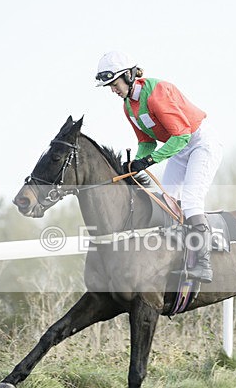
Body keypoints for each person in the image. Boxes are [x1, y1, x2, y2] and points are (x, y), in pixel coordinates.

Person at [95, 51, 223, 283]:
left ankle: (204, 264)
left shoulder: (155, 94)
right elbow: (146, 142)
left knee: (192, 200)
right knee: (167, 201)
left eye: (114, 84)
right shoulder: (128, 106)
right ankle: (178, 255)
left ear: (129, 75)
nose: (112, 90)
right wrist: (136, 163)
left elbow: (182, 135)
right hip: (179, 147)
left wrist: (151, 160)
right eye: (109, 86)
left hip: (200, 142)